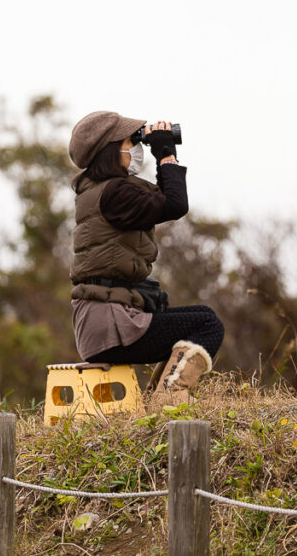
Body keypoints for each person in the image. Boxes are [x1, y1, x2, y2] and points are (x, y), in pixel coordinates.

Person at [67, 111, 224, 405]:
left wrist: (163, 154)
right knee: (207, 324)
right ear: (112, 150)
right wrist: (165, 153)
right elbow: (174, 204)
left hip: (99, 324)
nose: (135, 149)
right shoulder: (115, 193)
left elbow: (158, 200)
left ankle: (156, 399)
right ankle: (169, 399)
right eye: (130, 141)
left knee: (189, 323)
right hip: (112, 326)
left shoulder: (97, 190)